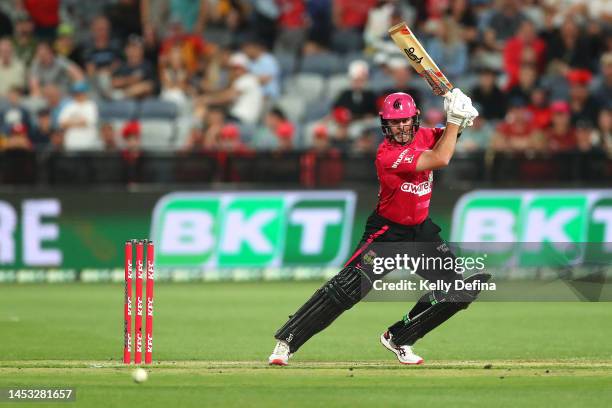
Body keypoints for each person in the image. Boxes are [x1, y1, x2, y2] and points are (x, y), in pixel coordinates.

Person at [268, 89, 487, 366]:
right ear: (386, 125)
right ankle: (286, 342)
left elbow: (448, 138)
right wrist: (455, 119)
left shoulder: (424, 134)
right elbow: (441, 158)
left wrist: (463, 118)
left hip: (421, 232)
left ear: (415, 118)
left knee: (457, 291)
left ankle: (400, 337)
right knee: (347, 289)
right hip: (387, 234)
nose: (401, 127)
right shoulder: (387, 155)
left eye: (406, 120)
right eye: (395, 122)